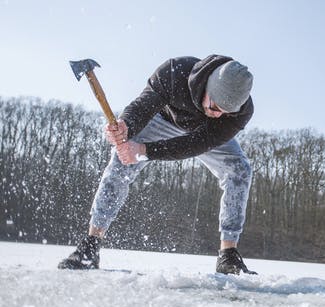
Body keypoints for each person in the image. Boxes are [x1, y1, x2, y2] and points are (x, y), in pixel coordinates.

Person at [58, 55, 256, 275]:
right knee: (121, 161)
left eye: (225, 113)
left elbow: (196, 144)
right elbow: (142, 107)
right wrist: (126, 127)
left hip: (202, 135)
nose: (218, 114)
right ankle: (91, 244)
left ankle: (228, 256)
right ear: (207, 85)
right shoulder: (175, 72)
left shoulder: (241, 112)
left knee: (239, 169)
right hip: (162, 120)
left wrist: (145, 151)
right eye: (215, 106)